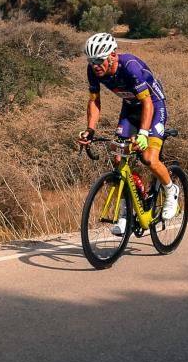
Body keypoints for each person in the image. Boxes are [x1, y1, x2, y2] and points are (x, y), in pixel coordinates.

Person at [75, 32, 178, 233]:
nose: (95, 65)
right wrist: (90, 130)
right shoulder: (92, 71)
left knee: (149, 158)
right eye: (91, 60)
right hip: (130, 108)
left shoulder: (130, 67)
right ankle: (126, 212)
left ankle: (171, 190)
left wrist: (143, 134)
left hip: (154, 107)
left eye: (99, 60)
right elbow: (94, 101)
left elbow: (147, 102)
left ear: (113, 55)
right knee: (118, 160)